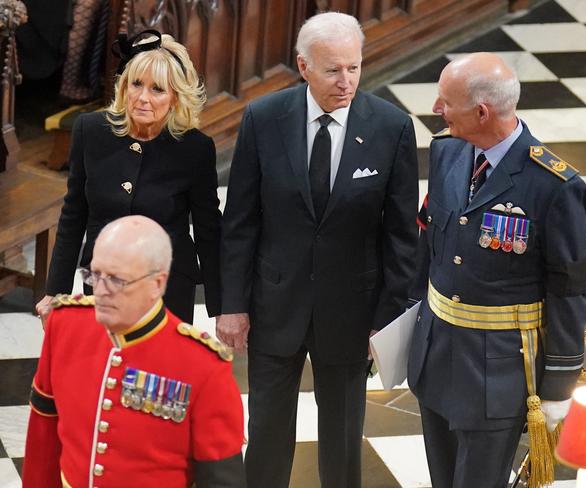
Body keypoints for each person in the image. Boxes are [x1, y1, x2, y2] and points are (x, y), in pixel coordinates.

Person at [217, 11, 418, 488]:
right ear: (303, 66)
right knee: (265, 432)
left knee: (343, 438)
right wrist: (233, 306)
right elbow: (240, 222)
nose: (345, 81)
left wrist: (388, 320)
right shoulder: (263, 119)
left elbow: (401, 236)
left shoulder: (392, 127)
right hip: (273, 304)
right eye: (332, 70)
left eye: (354, 67)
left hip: (352, 312)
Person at [407, 52, 586, 488]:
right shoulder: (448, 151)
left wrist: (559, 384)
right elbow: (430, 243)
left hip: (499, 372)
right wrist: (406, 320)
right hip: (436, 354)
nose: (436, 110)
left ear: (481, 112)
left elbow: (568, 291)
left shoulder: (554, 187)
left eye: (445, 102)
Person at [22, 215, 245, 488]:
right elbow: (43, 435)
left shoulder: (203, 366)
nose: (101, 290)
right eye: (95, 274)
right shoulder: (65, 325)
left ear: (158, 283)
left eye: (117, 280)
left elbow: (221, 480)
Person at [35, 30, 221, 324]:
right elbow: (73, 214)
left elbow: (208, 231)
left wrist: (221, 308)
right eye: (136, 84)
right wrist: (55, 292)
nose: (142, 98)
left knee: (159, 369)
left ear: (175, 98)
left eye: (157, 89)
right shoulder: (90, 130)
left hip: (167, 287)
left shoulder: (195, 148)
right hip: (102, 283)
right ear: (124, 86)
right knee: (105, 366)